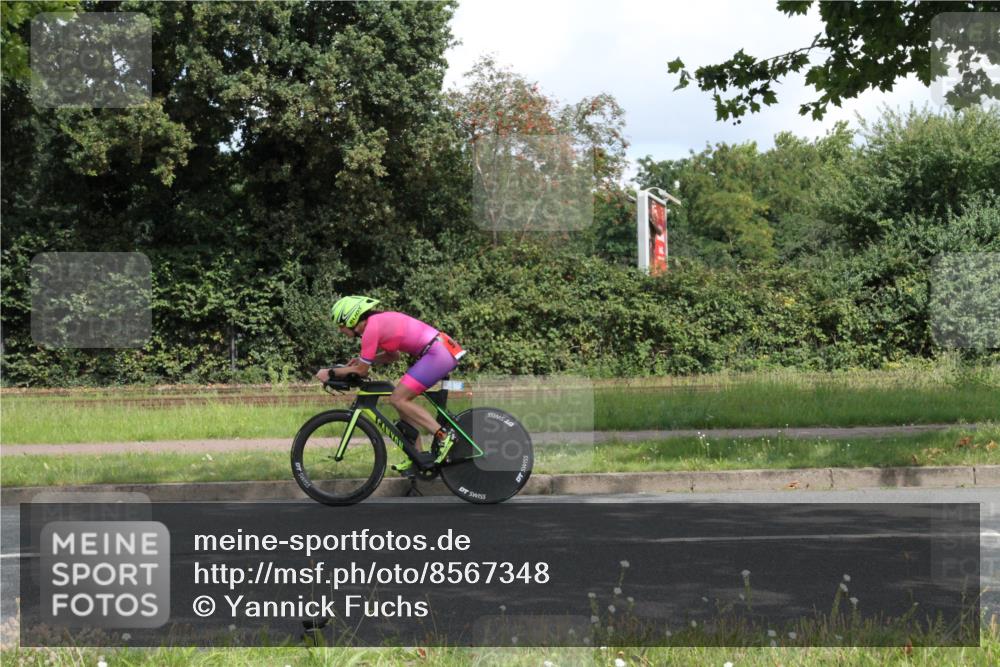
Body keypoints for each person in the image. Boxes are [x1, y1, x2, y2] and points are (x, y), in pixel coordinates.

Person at [315, 295, 466, 472]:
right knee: (401, 403)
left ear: (352, 319)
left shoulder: (371, 330)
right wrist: (359, 361)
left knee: (398, 399)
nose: (340, 330)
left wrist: (330, 371)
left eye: (341, 325)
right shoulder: (376, 323)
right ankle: (417, 457)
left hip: (437, 353)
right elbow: (393, 356)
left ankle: (443, 436)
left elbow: (363, 371)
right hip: (440, 350)